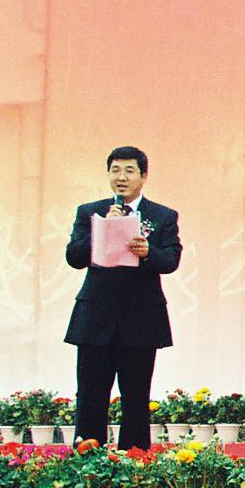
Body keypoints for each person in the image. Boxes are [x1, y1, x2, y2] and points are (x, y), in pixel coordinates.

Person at [65, 146, 182, 449]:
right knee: (91, 394)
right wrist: (101, 228)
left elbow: (171, 260)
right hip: (95, 319)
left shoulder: (163, 216)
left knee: (136, 396)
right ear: (108, 175)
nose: (122, 177)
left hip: (141, 319)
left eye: (130, 171)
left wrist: (148, 252)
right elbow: (74, 256)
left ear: (143, 176)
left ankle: (135, 462)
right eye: (115, 170)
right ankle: (88, 461)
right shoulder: (90, 212)